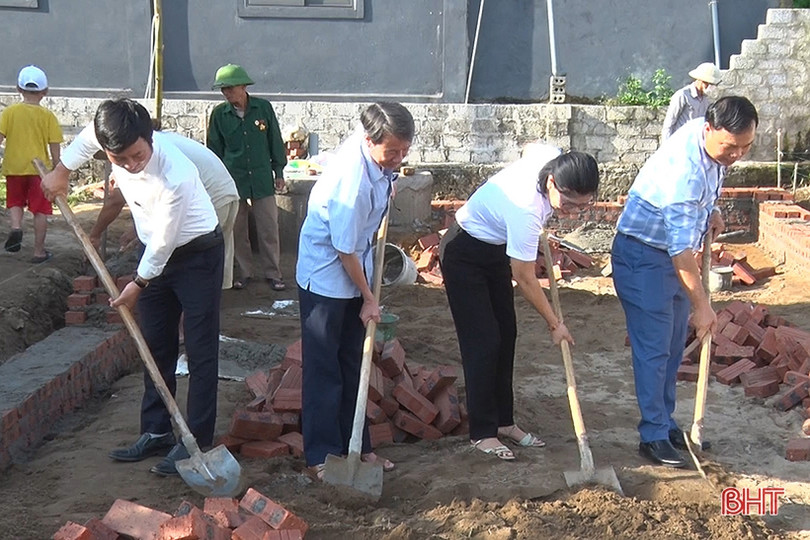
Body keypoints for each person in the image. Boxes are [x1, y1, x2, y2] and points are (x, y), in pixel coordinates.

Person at [41, 98, 224, 477]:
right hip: (151, 251)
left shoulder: (175, 172)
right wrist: (61, 171)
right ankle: (156, 429)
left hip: (196, 253)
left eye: (138, 155)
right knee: (156, 345)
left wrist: (139, 282)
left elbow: (163, 242)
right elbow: (83, 144)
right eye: (120, 159)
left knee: (201, 347)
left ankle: (197, 440)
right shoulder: (109, 131)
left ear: (150, 137)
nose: (131, 165)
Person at [612, 96, 758, 468]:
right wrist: (703, 306)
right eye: (730, 147)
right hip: (644, 255)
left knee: (674, 345)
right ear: (709, 129)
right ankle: (653, 436)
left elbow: (706, 189)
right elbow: (680, 251)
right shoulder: (685, 172)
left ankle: (665, 421)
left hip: (669, 253)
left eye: (745, 147)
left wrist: (711, 210)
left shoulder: (710, 143)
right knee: (655, 348)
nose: (736, 155)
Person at [439, 146, 599, 461]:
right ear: (552, 182)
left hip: (495, 247)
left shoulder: (552, 156)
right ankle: (483, 433)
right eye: (567, 203)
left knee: (506, 333)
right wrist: (555, 324)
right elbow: (525, 277)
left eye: (582, 206)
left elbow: (532, 147)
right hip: (463, 252)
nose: (571, 212)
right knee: (483, 341)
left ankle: (504, 422)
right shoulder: (527, 208)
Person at [295, 102, 413, 479]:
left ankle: (358, 448)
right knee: (325, 370)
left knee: (353, 364)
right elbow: (344, 249)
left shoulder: (376, 162)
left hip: (353, 264)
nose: (398, 158)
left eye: (404, 151)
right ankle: (321, 456)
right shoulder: (353, 182)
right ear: (368, 140)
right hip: (327, 278)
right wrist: (369, 298)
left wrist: (389, 178)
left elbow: (357, 243)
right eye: (391, 151)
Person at [68, 123, 239, 290]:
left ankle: (191, 304)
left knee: (190, 256)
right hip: (226, 190)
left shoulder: (148, 156)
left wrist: (95, 235)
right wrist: (137, 228)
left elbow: (116, 201)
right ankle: (214, 299)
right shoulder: (151, 144)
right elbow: (149, 199)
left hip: (211, 196)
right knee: (218, 253)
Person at [207, 64, 288, 291]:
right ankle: (245, 272)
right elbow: (214, 150)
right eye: (223, 89)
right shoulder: (219, 115)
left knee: (268, 227)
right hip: (233, 180)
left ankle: (273, 272)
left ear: (244, 86)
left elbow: (274, 140)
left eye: (230, 88)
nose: (227, 93)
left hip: (261, 177)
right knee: (237, 228)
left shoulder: (263, 109)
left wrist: (278, 171)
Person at [1, 65, 63, 262]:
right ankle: (39, 252)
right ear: (44, 92)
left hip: (14, 167)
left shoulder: (9, 113)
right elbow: (54, 144)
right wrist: (56, 168)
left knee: (15, 202)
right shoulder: (47, 116)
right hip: (40, 171)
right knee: (40, 209)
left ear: (18, 90)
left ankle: (16, 228)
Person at [661, 62, 722, 140]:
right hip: (681, 141)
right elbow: (669, 124)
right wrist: (666, 147)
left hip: (696, 141)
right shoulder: (683, 95)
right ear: (701, 80)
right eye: (709, 84)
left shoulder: (706, 100)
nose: (711, 87)